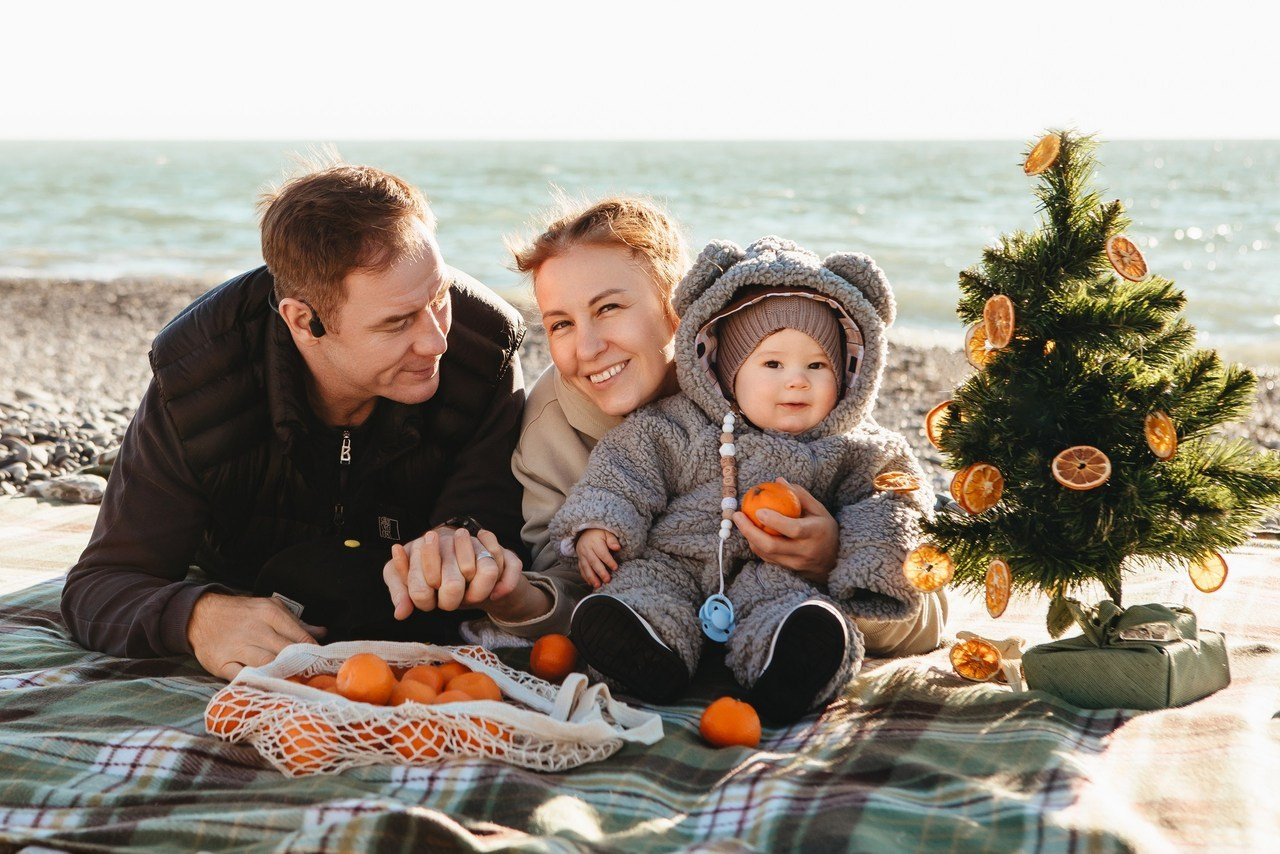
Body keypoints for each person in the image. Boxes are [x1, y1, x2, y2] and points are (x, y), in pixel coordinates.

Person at [61, 163, 545, 680]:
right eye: (397, 322)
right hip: (253, 584)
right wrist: (196, 618)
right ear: (302, 321)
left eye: (439, 298)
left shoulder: (482, 348)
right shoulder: (200, 377)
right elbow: (101, 583)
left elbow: (491, 517)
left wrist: (465, 540)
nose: (436, 341)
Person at [550, 235, 947, 724]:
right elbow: (625, 467)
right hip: (680, 562)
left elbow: (893, 505)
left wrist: (856, 561)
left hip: (780, 576)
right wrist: (599, 523)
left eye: (817, 365)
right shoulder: (679, 424)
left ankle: (791, 665)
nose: (797, 380)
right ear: (728, 372)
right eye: (773, 364)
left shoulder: (858, 447)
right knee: (644, 589)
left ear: (849, 373)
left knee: (794, 611)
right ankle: (645, 647)